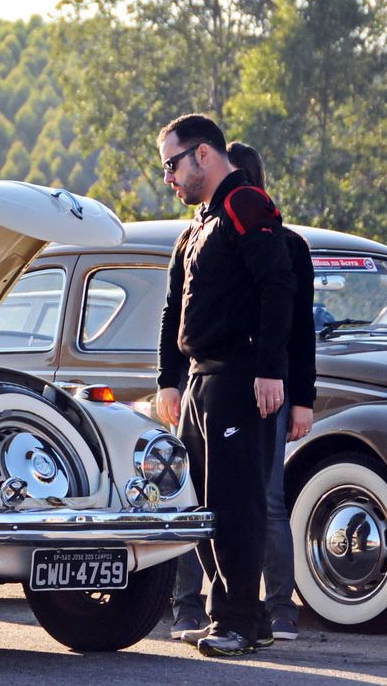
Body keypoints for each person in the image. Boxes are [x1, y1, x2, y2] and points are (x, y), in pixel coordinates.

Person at [154, 114, 295, 657]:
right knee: (199, 505)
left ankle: (235, 620)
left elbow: (278, 285)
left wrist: (270, 368)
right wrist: (169, 380)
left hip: (239, 375)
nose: (169, 178)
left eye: (172, 164)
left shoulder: (245, 205)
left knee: (237, 503)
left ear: (203, 154)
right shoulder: (197, 225)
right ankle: (242, 617)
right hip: (199, 379)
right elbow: (174, 309)